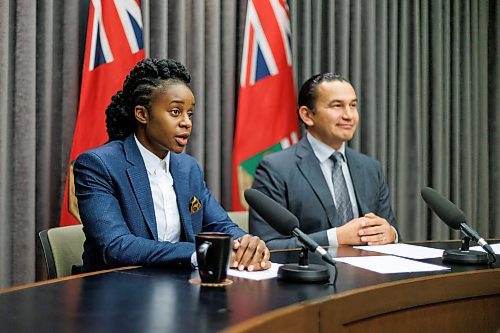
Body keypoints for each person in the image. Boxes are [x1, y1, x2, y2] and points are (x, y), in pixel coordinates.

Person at [74, 58, 271, 273]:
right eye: (175, 112)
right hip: (115, 291)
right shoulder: (99, 165)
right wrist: (200, 253)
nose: (187, 122)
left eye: (190, 113)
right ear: (142, 114)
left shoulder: (188, 168)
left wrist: (245, 243)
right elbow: (116, 246)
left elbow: (219, 225)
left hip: (176, 286)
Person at [249, 73, 398, 249]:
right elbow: (266, 246)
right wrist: (335, 238)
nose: (349, 115)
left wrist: (391, 234)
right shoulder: (275, 169)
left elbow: (391, 230)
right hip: (314, 273)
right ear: (307, 115)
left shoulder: (370, 168)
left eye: (353, 105)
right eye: (337, 106)